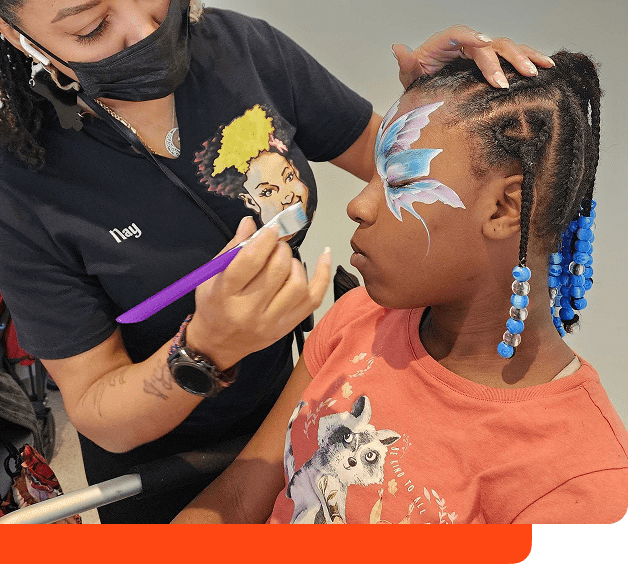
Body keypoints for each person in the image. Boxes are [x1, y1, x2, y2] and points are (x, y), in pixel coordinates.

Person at [0, 0, 555, 523]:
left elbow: (394, 164)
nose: (145, 28)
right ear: (17, 35)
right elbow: (99, 409)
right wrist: (203, 351)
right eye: (90, 27)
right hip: (161, 471)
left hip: (299, 408)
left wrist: (433, 108)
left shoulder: (244, 52)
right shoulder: (16, 188)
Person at [173, 51, 628, 524]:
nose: (358, 205)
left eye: (399, 179)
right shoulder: (360, 319)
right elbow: (241, 497)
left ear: (504, 208)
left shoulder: (583, 482)